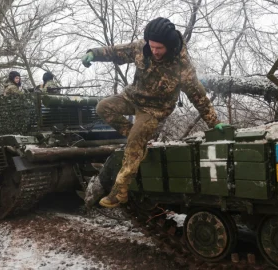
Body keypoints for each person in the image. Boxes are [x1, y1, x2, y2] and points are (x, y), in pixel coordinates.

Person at [81, 17, 226, 208]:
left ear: (169, 46)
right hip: (133, 97)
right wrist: (94, 53)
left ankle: (120, 191)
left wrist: (214, 122)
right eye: (152, 46)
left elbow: (198, 96)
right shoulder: (142, 48)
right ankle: (139, 142)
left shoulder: (182, 66)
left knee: (133, 142)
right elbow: (116, 51)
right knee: (103, 107)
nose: (155, 51)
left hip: (154, 109)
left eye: (159, 48)